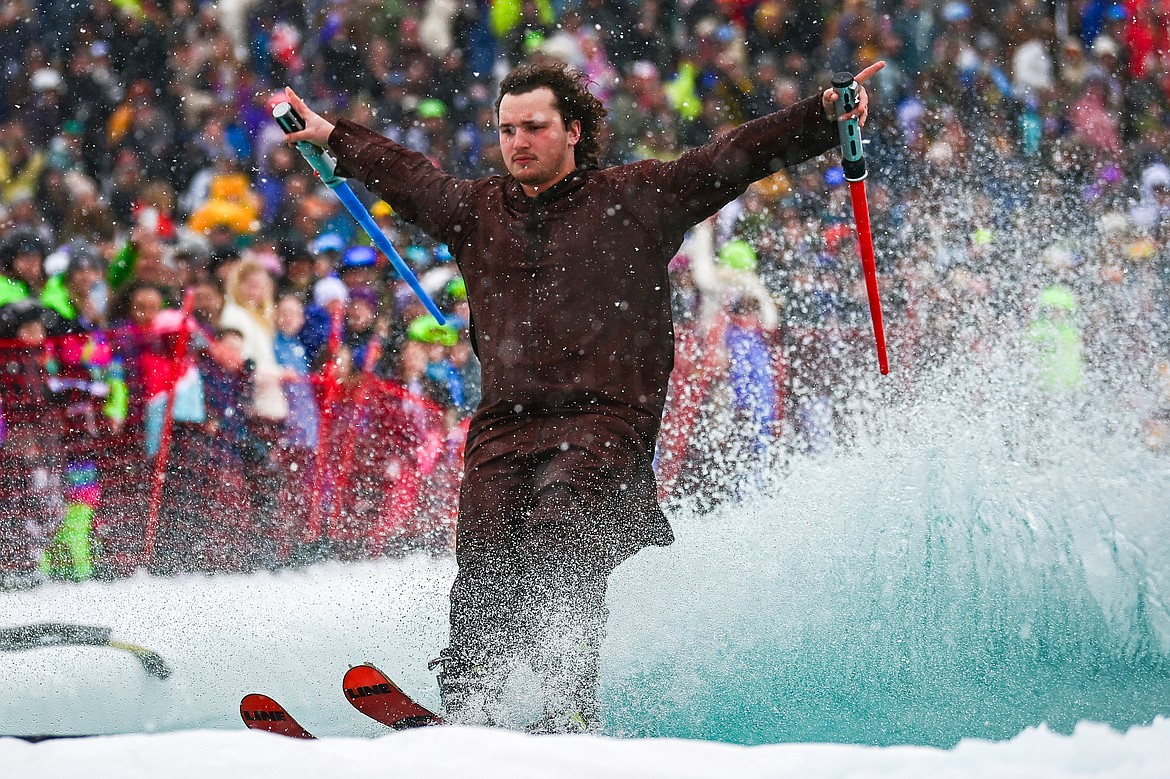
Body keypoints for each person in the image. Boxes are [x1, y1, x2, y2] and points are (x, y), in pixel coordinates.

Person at [282, 58, 882, 733]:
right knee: (484, 562)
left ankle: (567, 701)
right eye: (507, 129)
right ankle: (470, 703)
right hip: (505, 424)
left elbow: (731, 158)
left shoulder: (636, 197)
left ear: (572, 130)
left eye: (534, 126)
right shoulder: (479, 210)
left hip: (605, 420)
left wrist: (820, 116)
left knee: (559, 534)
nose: (518, 142)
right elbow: (410, 174)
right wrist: (334, 136)